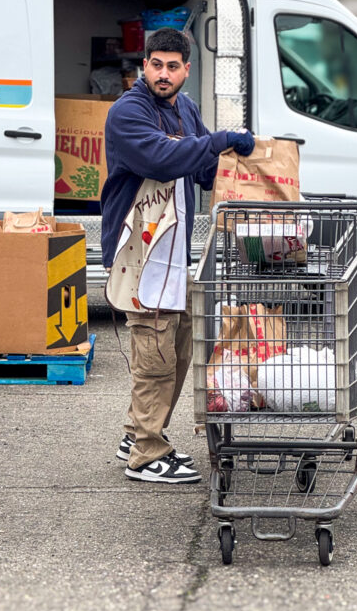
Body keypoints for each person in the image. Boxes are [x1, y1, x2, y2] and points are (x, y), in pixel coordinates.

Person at [100, 27, 255, 485]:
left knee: (181, 342)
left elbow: (204, 166)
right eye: (155, 65)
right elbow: (163, 160)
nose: (163, 74)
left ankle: (138, 432)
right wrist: (220, 138)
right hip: (139, 253)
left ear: (187, 69)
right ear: (143, 66)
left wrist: (245, 164)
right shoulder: (128, 112)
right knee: (154, 351)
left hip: (172, 252)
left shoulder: (185, 108)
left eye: (172, 66)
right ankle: (147, 453)